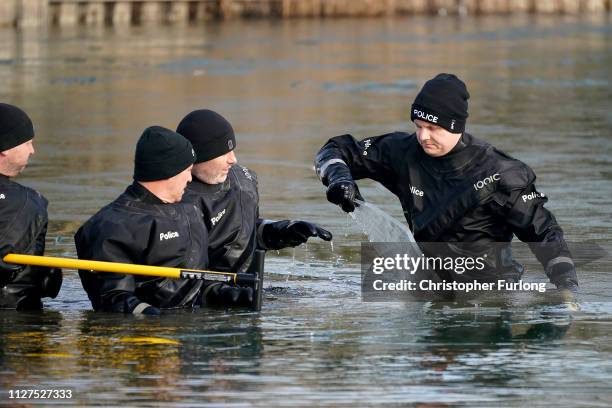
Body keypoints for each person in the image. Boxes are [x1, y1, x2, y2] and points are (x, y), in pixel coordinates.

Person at [314, 73, 578, 291]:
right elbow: (336, 149)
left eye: (433, 128)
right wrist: (338, 177)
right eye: (418, 126)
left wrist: (567, 287)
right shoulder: (402, 152)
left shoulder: (502, 173)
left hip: (489, 295)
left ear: (456, 126)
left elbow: (544, 232)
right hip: (430, 285)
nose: (423, 136)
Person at [75, 126, 253, 315]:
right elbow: (113, 298)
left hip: (192, 331)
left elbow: (197, 280)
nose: (189, 178)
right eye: (187, 170)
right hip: (147, 336)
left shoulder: (190, 210)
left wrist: (223, 293)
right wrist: (155, 320)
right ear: (168, 171)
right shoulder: (112, 226)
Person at [176, 109, 332, 274]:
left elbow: (244, 234)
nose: (233, 159)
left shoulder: (242, 182)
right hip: (202, 293)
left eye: (232, 150)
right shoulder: (172, 200)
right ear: (196, 157)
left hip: (248, 288)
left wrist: (280, 232)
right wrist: (214, 292)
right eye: (223, 153)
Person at [0, 103, 62, 310]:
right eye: (27, 143)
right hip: (14, 322)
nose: (32, 151)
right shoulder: (25, 203)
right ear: (5, 149)